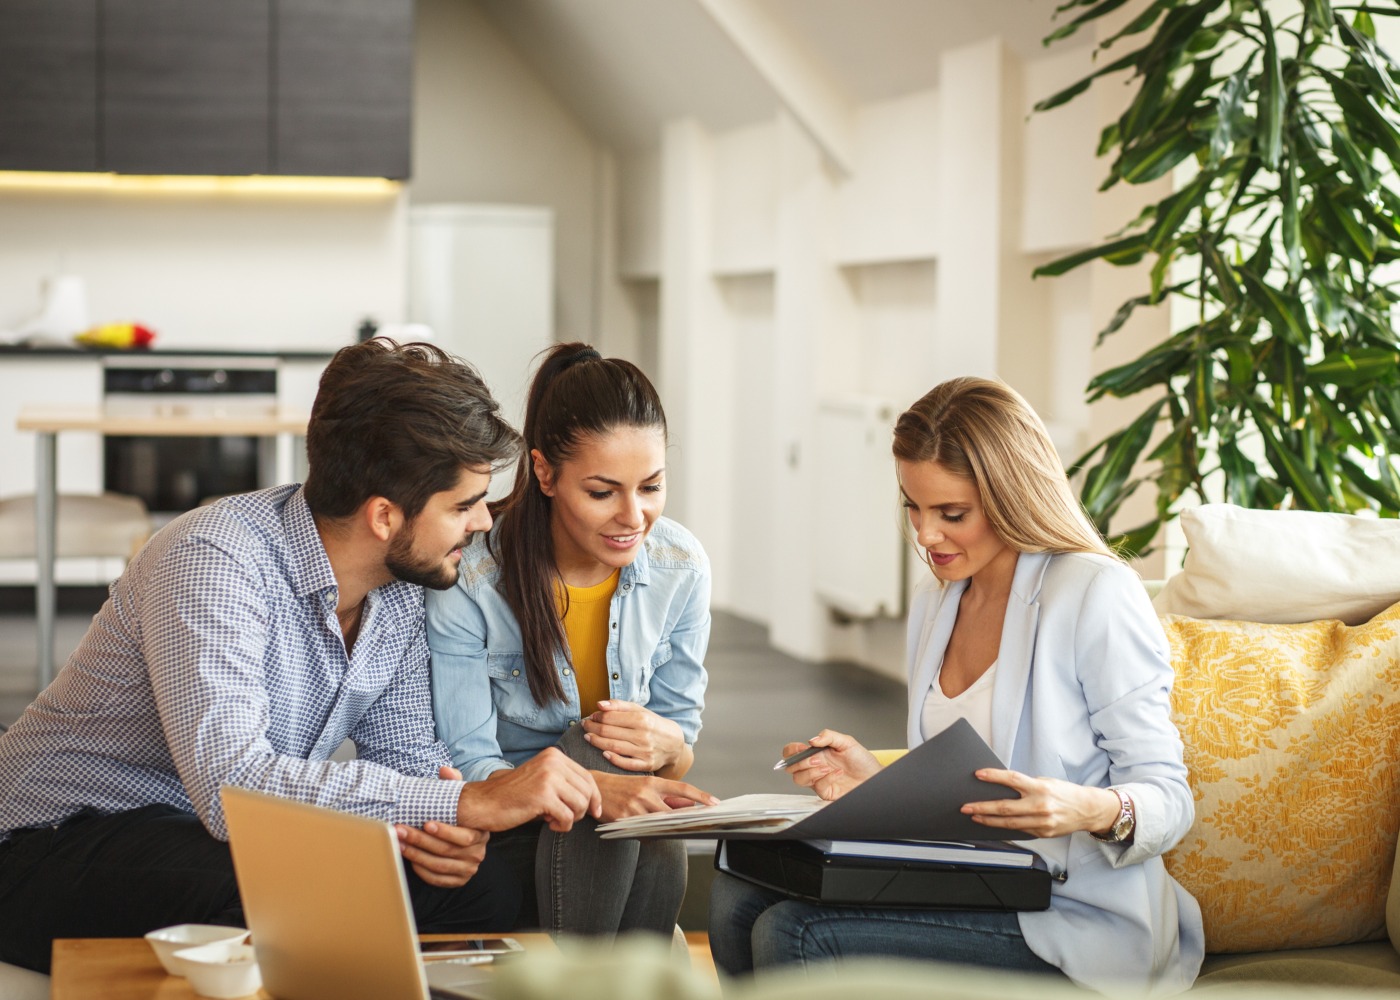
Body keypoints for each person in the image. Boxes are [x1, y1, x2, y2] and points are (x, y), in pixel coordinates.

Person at [0, 340, 602, 974]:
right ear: (383, 516)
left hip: (214, 836)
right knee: (283, 888)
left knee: (482, 890)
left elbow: (409, 762)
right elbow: (233, 785)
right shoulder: (213, 559)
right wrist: (460, 804)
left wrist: (439, 832)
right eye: (462, 505)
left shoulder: (397, 590)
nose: (482, 521)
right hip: (50, 842)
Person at [709, 377, 1204, 995]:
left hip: (1072, 915)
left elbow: (1170, 798)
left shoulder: (1094, 594)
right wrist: (874, 778)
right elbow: (964, 779)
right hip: (973, 883)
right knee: (734, 895)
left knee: (797, 932)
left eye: (952, 514)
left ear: (1012, 496)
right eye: (913, 506)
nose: (924, 535)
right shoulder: (937, 601)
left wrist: (1088, 809)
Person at [426, 342, 715, 940]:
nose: (633, 516)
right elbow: (469, 763)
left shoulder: (680, 566)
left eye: (652, 487)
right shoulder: (474, 577)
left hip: (623, 828)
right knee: (589, 750)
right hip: (514, 823)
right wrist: (595, 787)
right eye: (603, 492)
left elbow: (678, 751)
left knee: (636, 787)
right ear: (545, 473)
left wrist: (667, 745)